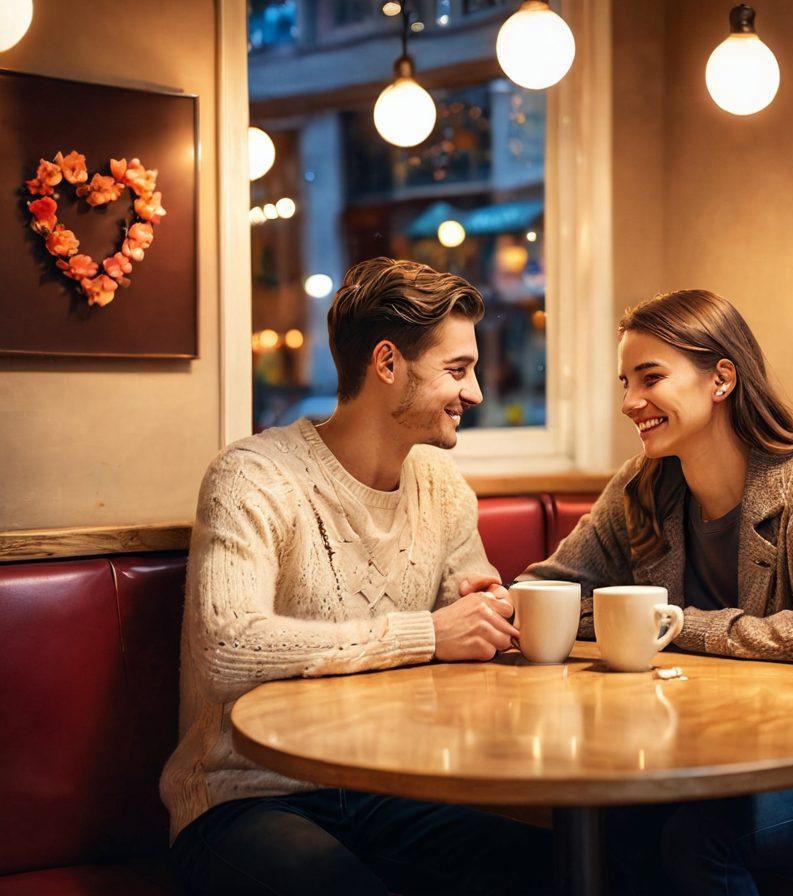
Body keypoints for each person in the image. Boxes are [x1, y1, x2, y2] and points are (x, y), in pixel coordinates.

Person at [161, 257, 554, 895]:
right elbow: (226, 648)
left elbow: (469, 611)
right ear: (387, 363)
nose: (477, 393)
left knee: (561, 867)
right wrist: (428, 635)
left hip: (391, 791)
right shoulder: (253, 476)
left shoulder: (444, 490)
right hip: (244, 799)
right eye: (458, 370)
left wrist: (489, 613)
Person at [520, 289, 793, 895]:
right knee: (612, 824)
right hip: (708, 760)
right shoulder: (642, 488)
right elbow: (548, 589)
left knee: (699, 840)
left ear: (721, 379)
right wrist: (512, 605)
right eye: (625, 383)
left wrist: (676, 626)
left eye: (651, 378)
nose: (630, 402)